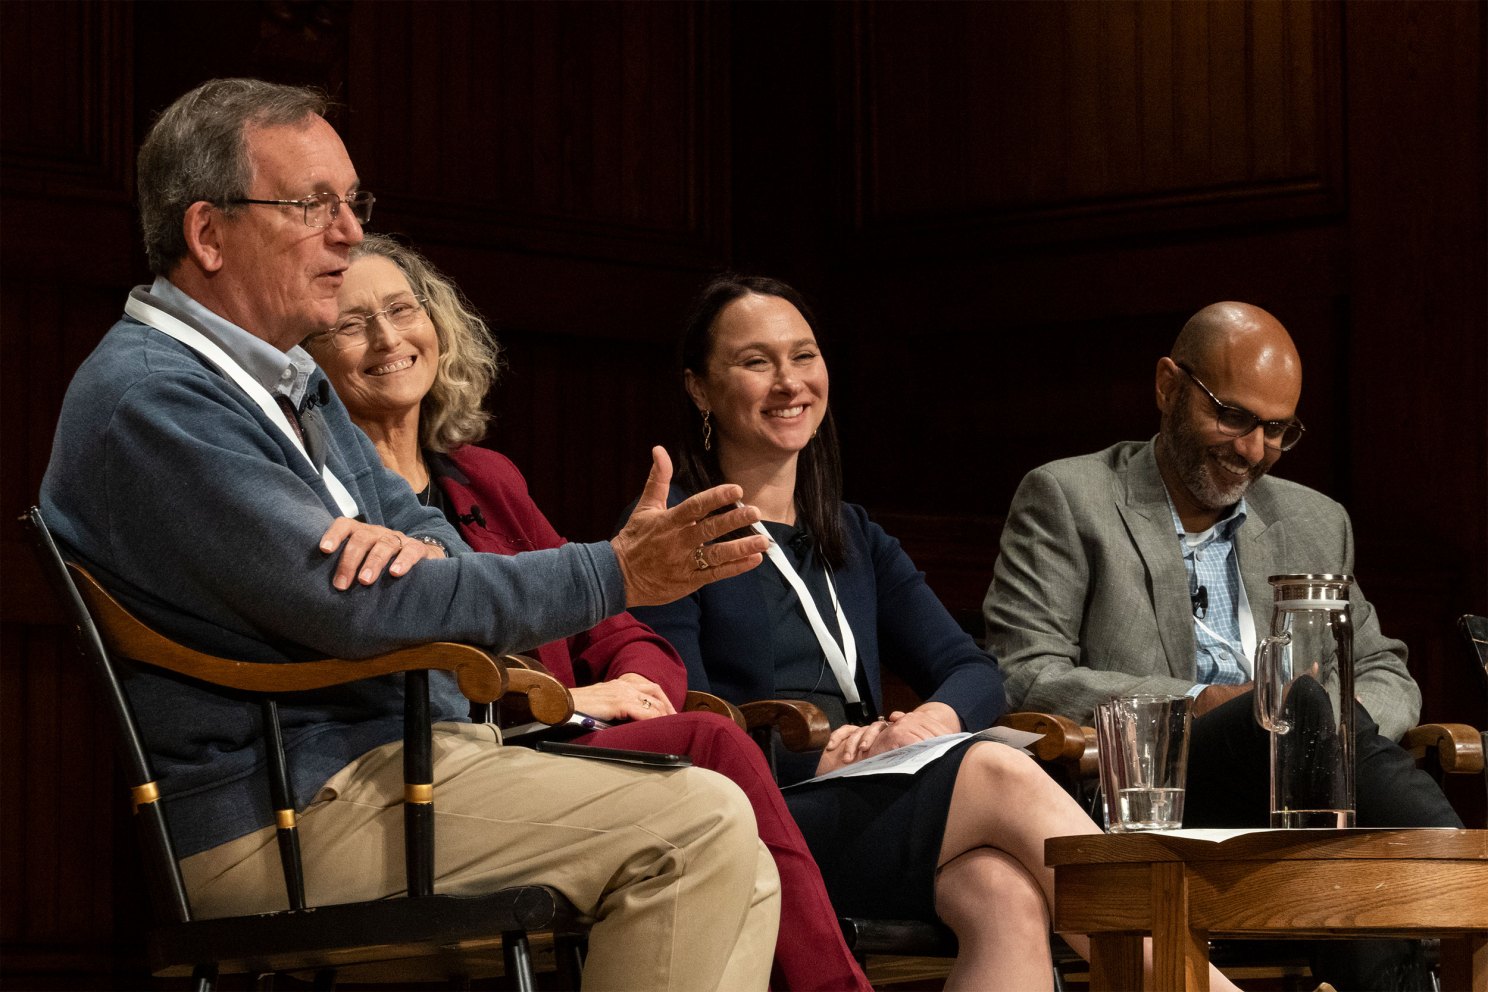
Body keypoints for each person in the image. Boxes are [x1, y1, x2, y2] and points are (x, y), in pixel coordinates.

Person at [39, 78, 782, 991]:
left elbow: (425, 543)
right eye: (313, 204)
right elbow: (359, 609)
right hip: (279, 816)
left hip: (392, 771)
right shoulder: (154, 398)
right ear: (207, 234)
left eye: (353, 204)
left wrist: (410, 561)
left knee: (742, 853)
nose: (349, 234)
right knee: (698, 825)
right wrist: (614, 574)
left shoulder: (287, 383)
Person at [629, 275, 1246, 992]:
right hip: (760, 807)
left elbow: (975, 669)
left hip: (875, 793)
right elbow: (681, 710)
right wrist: (819, 755)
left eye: (804, 356)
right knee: (994, 770)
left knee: (1002, 895)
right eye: (755, 362)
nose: (789, 382)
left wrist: (927, 720)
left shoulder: (853, 535)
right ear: (700, 389)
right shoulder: (670, 536)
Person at [305, 233, 871, 992]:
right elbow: (404, 661)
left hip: (575, 749)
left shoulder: (484, 476)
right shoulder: (332, 497)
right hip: (472, 764)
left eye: (403, 309)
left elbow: (620, 624)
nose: (389, 338)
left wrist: (633, 686)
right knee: (715, 744)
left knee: (717, 792)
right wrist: (568, 700)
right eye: (352, 324)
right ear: (307, 359)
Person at [983, 300, 1462, 990]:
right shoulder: (1069, 498)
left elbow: (1385, 670)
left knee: (1324, 799)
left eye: (1277, 430)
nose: (1252, 450)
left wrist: (1315, 729)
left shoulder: (1313, 520)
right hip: (1156, 791)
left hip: (1302, 796)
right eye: (1232, 417)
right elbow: (1023, 674)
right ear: (1168, 387)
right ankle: (1452, 860)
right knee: (1293, 719)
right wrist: (1196, 703)